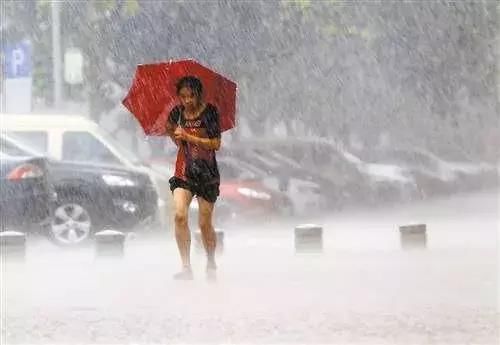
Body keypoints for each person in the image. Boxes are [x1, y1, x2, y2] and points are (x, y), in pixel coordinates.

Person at [165, 76, 221, 280]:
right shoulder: (177, 113)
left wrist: (189, 137)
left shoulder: (210, 112)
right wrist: (174, 136)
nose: (187, 100)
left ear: (198, 94)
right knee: (179, 215)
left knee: (204, 223)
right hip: (184, 172)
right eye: (182, 96)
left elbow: (215, 143)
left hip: (207, 173)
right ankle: (186, 267)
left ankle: (211, 259)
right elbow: (170, 130)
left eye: (191, 96)